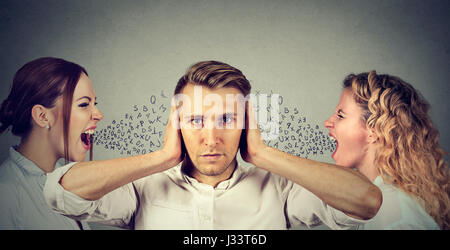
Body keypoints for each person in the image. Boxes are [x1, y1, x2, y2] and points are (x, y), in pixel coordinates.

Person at [44, 60, 382, 229]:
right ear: (177, 123)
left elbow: (366, 201)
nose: (210, 138)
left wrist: (263, 154)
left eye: (226, 119)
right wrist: (163, 157)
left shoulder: (281, 189)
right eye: (195, 120)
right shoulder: (140, 188)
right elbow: (61, 193)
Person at [324, 71, 449, 229]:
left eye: (340, 115)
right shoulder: (380, 200)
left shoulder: (390, 210)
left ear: (373, 131)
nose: (327, 122)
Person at [0, 57, 103, 229]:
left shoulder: (66, 184)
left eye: (95, 104)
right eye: (84, 104)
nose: (99, 114)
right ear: (42, 116)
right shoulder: (6, 195)